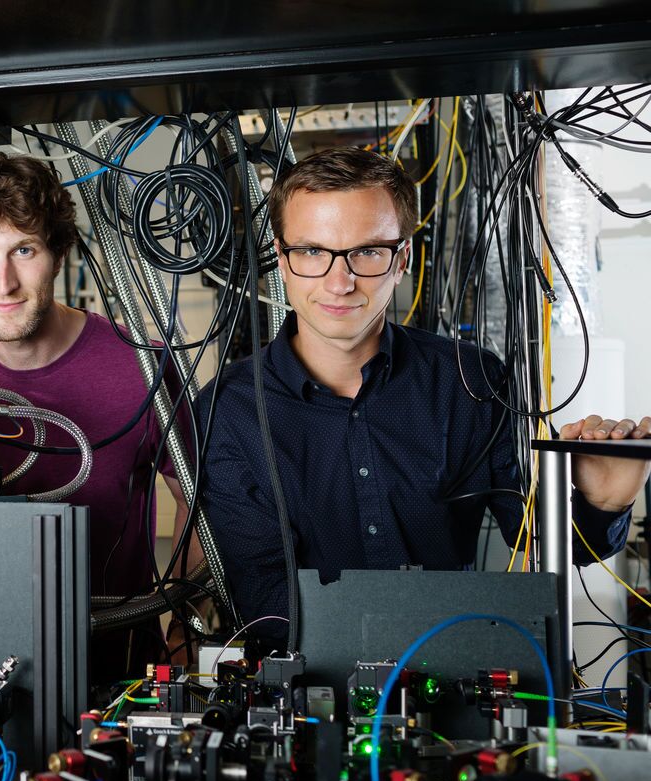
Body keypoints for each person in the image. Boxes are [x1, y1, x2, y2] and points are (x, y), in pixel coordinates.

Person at [196, 146, 651, 645]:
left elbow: (543, 543)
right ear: (281, 260)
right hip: (296, 701)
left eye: (368, 251)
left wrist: (602, 503)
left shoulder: (471, 380)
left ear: (403, 258)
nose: (339, 282)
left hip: (453, 682)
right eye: (312, 252)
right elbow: (263, 603)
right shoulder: (228, 411)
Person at [0, 153, 198, 682]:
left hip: (119, 655)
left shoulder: (144, 363)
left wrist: (183, 629)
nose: (3, 283)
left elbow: (198, 503)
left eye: (24, 250)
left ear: (59, 253)